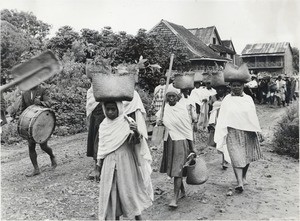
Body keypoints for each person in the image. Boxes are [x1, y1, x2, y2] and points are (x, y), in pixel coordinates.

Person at [96, 101, 153, 220]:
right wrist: (98, 167)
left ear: (119, 109)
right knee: (112, 193)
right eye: (108, 109)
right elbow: (101, 147)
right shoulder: (104, 125)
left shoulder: (128, 122)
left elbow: (136, 142)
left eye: (113, 109)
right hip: (109, 163)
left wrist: (136, 131)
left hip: (126, 161)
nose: (110, 112)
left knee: (129, 190)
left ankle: (138, 218)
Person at [214, 79, 262, 193]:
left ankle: (243, 177)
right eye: (233, 85)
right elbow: (222, 116)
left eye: (238, 85)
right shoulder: (227, 100)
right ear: (230, 86)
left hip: (248, 131)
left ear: (243, 86)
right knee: (236, 156)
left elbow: (253, 116)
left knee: (246, 155)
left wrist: (258, 130)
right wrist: (222, 130)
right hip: (232, 131)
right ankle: (239, 182)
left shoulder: (248, 99)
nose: (236, 88)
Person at [157, 86, 196, 208]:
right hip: (169, 141)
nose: (171, 98)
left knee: (177, 169)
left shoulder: (181, 109)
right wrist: (159, 121)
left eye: (173, 96)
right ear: (166, 98)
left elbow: (187, 129)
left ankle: (174, 198)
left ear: (178, 97)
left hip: (181, 141)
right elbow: (160, 121)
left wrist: (192, 147)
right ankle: (182, 191)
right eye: (169, 96)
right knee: (174, 168)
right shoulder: (165, 109)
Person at [20, 84, 57, 177]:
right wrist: (21, 119)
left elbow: (49, 102)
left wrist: (40, 103)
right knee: (31, 146)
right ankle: (36, 169)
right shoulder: (25, 92)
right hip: (29, 124)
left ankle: (52, 156)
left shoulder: (43, 90)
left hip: (42, 121)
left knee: (43, 146)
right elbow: (23, 109)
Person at [208, 84, 230, 169]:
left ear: (224, 90)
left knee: (226, 139)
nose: (219, 91)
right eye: (218, 89)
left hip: (226, 120)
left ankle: (225, 160)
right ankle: (224, 159)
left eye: (221, 89)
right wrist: (209, 123)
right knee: (220, 140)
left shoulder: (228, 97)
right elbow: (210, 110)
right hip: (216, 120)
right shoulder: (213, 97)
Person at [86, 85, 105, 179]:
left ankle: (99, 167)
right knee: (95, 139)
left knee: (101, 138)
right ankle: (97, 165)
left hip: (105, 110)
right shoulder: (91, 89)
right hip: (96, 113)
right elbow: (90, 102)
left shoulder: (108, 83)